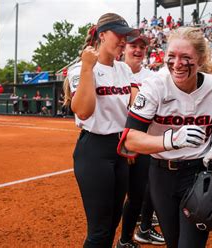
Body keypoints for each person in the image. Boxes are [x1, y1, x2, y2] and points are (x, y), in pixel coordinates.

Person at [117, 27, 212, 248]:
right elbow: (130, 139)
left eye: (186, 58)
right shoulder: (154, 86)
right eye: (172, 57)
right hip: (162, 175)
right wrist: (170, 141)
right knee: (173, 241)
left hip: (199, 172)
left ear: (201, 59)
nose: (177, 64)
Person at [65, 13, 140, 248]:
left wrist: (129, 142)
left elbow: (135, 110)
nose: (123, 40)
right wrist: (88, 66)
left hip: (120, 149)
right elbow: (83, 111)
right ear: (102, 35)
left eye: (126, 36)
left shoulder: (124, 70)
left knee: (112, 225)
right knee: (99, 230)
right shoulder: (80, 68)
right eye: (119, 34)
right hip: (94, 150)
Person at [117, 34, 165, 247]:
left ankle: (130, 236)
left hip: (145, 142)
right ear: (123, 48)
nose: (138, 50)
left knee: (141, 193)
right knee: (116, 198)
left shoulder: (152, 77)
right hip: (118, 143)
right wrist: (127, 143)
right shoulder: (115, 72)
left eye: (142, 47)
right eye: (133, 45)